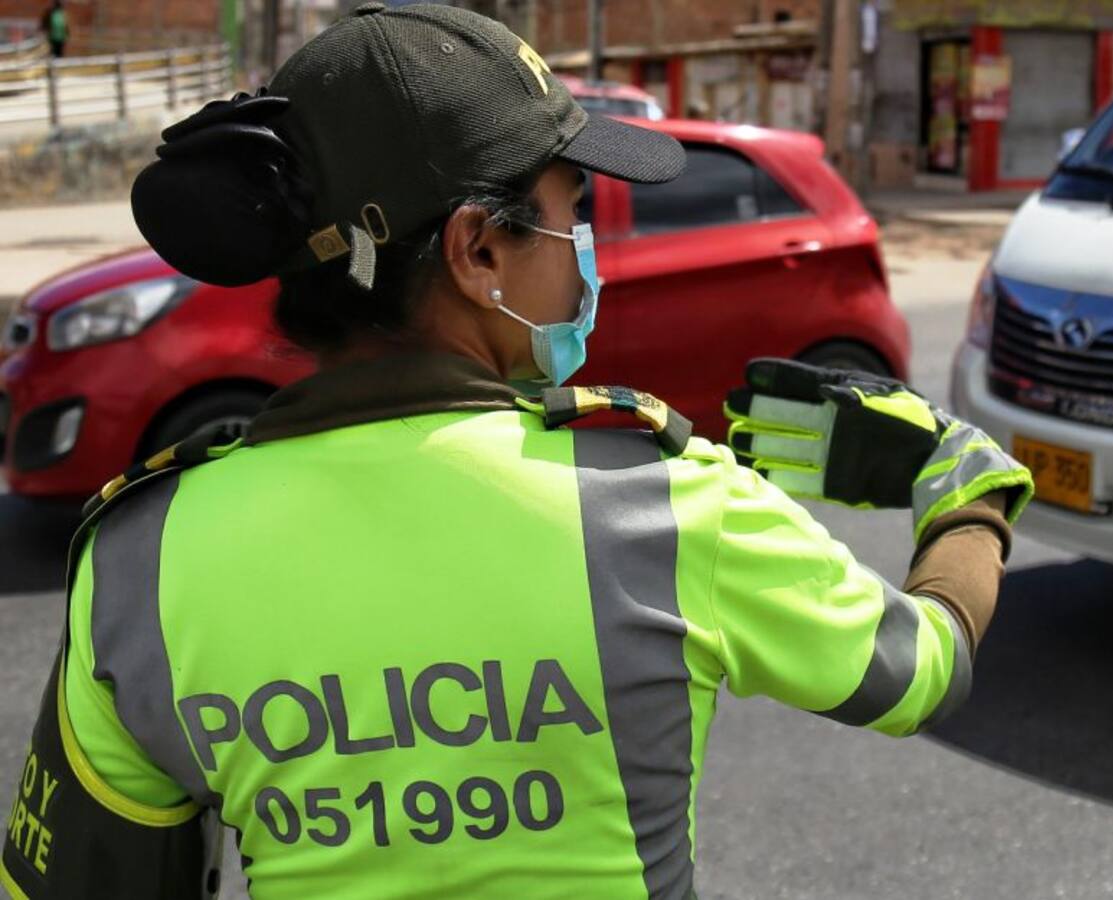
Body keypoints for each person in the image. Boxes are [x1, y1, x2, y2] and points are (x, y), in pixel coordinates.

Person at [0, 4, 1033, 898]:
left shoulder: (138, 560)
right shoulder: (662, 503)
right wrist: (968, 493)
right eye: (566, 214)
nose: (583, 251)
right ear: (477, 250)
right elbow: (919, 669)